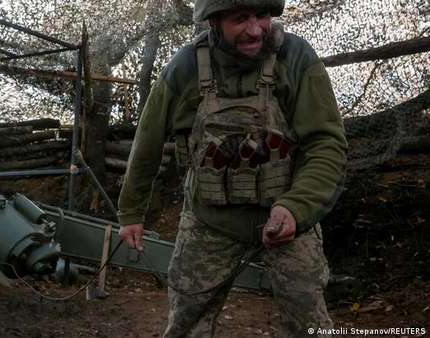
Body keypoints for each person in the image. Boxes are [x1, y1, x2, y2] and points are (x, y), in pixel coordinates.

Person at [117, 0, 347, 337]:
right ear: (214, 22)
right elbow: (147, 142)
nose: (255, 30)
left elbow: (328, 145)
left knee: (309, 325)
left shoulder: (296, 58)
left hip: (285, 218)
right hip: (210, 221)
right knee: (187, 323)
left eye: (263, 16)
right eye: (241, 19)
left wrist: (296, 208)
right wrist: (131, 212)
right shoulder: (185, 67)